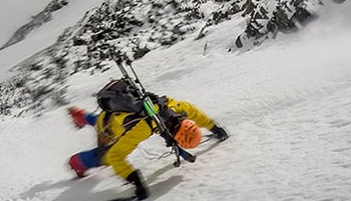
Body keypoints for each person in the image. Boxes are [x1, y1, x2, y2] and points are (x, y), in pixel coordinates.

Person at [66, 81, 229, 200]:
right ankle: (75, 163)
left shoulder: (175, 109)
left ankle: (81, 116)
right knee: (104, 157)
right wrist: (135, 180)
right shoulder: (143, 128)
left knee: (103, 120)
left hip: (114, 116)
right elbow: (116, 156)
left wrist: (214, 128)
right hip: (109, 127)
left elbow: (195, 114)